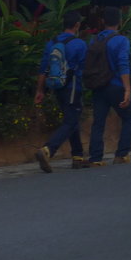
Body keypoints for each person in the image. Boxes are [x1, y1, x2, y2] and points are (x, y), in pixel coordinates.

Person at [33, 11, 88, 172]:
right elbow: (84, 68)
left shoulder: (51, 43)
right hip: (73, 87)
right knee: (71, 121)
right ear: (77, 25)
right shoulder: (79, 44)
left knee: (72, 119)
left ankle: (77, 157)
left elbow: (43, 69)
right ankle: (48, 150)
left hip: (57, 87)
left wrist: (40, 90)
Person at [87, 6, 131, 166]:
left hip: (98, 86)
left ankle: (95, 158)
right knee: (129, 118)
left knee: (98, 122)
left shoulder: (94, 40)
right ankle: (121, 154)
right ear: (120, 22)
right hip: (115, 86)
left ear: (102, 22)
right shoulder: (121, 40)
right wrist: (127, 88)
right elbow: (123, 64)